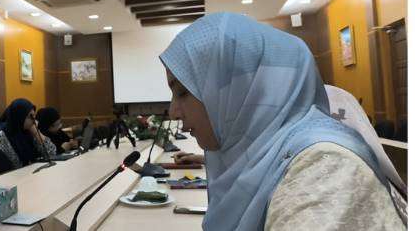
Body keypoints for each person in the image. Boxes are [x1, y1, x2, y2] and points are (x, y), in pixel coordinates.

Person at [160, 13, 405, 231]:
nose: (173, 112)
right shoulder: (261, 150)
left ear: (233, 91)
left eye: (182, 92)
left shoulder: (325, 171)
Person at [0, 98, 57, 169]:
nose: (34, 121)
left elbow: (52, 153)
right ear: (19, 116)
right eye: (30, 117)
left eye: (34, 116)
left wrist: (37, 133)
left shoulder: (29, 131)